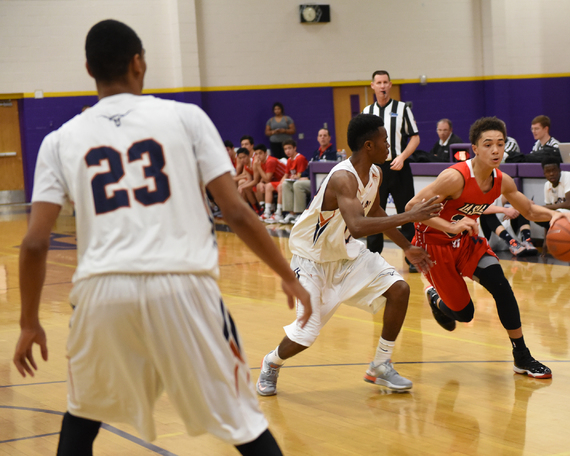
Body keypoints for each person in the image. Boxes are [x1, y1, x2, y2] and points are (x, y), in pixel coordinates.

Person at [12, 20, 312, 456]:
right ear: (139, 63)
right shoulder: (185, 117)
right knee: (245, 426)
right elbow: (236, 211)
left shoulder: (60, 141)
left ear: (88, 68)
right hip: (183, 285)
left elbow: (36, 243)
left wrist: (28, 322)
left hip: (100, 293)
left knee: (80, 420)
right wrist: (287, 275)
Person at [255, 114, 442, 396]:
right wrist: (409, 215)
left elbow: (375, 212)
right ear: (368, 145)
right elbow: (356, 226)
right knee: (305, 336)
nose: (389, 145)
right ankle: (272, 362)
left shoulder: (375, 173)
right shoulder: (343, 178)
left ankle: (380, 365)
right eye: (385, 140)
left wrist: (406, 246)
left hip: (347, 257)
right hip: (312, 262)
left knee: (400, 289)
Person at [407, 116, 570, 379]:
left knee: (503, 287)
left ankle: (522, 356)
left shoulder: (502, 180)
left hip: (466, 243)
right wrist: (451, 227)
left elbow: (530, 210)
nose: (496, 150)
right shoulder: (454, 178)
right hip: (434, 247)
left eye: (500, 144)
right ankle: (435, 297)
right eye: (488, 144)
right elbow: (411, 209)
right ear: (475, 148)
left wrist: (554, 216)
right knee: (464, 314)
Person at [363, 70, 421, 272]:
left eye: (385, 82)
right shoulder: (367, 111)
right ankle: (372, 259)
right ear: (372, 86)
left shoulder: (402, 108)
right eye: (378, 82)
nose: (382, 86)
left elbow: (415, 137)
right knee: (374, 214)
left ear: (390, 85)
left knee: (407, 211)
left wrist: (402, 156)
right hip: (375, 170)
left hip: (399, 167)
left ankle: (412, 257)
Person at [282, 128, 337, 224]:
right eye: (320, 136)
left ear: (329, 138)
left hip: (322, 183)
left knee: (298, 185)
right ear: (317, 138)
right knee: (286, 184)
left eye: (325, 135)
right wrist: (300, 176)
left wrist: (307, 178)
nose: (322, 138)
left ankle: (300, 213)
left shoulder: (333, 153)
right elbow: (309, 169)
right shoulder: (316, 153)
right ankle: (291, 213)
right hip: (311, 181)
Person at [264, 140, 308, 224]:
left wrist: (296, 176)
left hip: (301, 181)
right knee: (277, 185)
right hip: (292, 182)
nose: (287, 151)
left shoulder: (300, 158)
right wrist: (280, 183)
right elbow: (286, 175)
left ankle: (280, 213)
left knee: (285, 186)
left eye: (289, 148)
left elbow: (300, 174)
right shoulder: (288, 160)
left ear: (295, 148)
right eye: (285, 149)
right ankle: (286, 213)